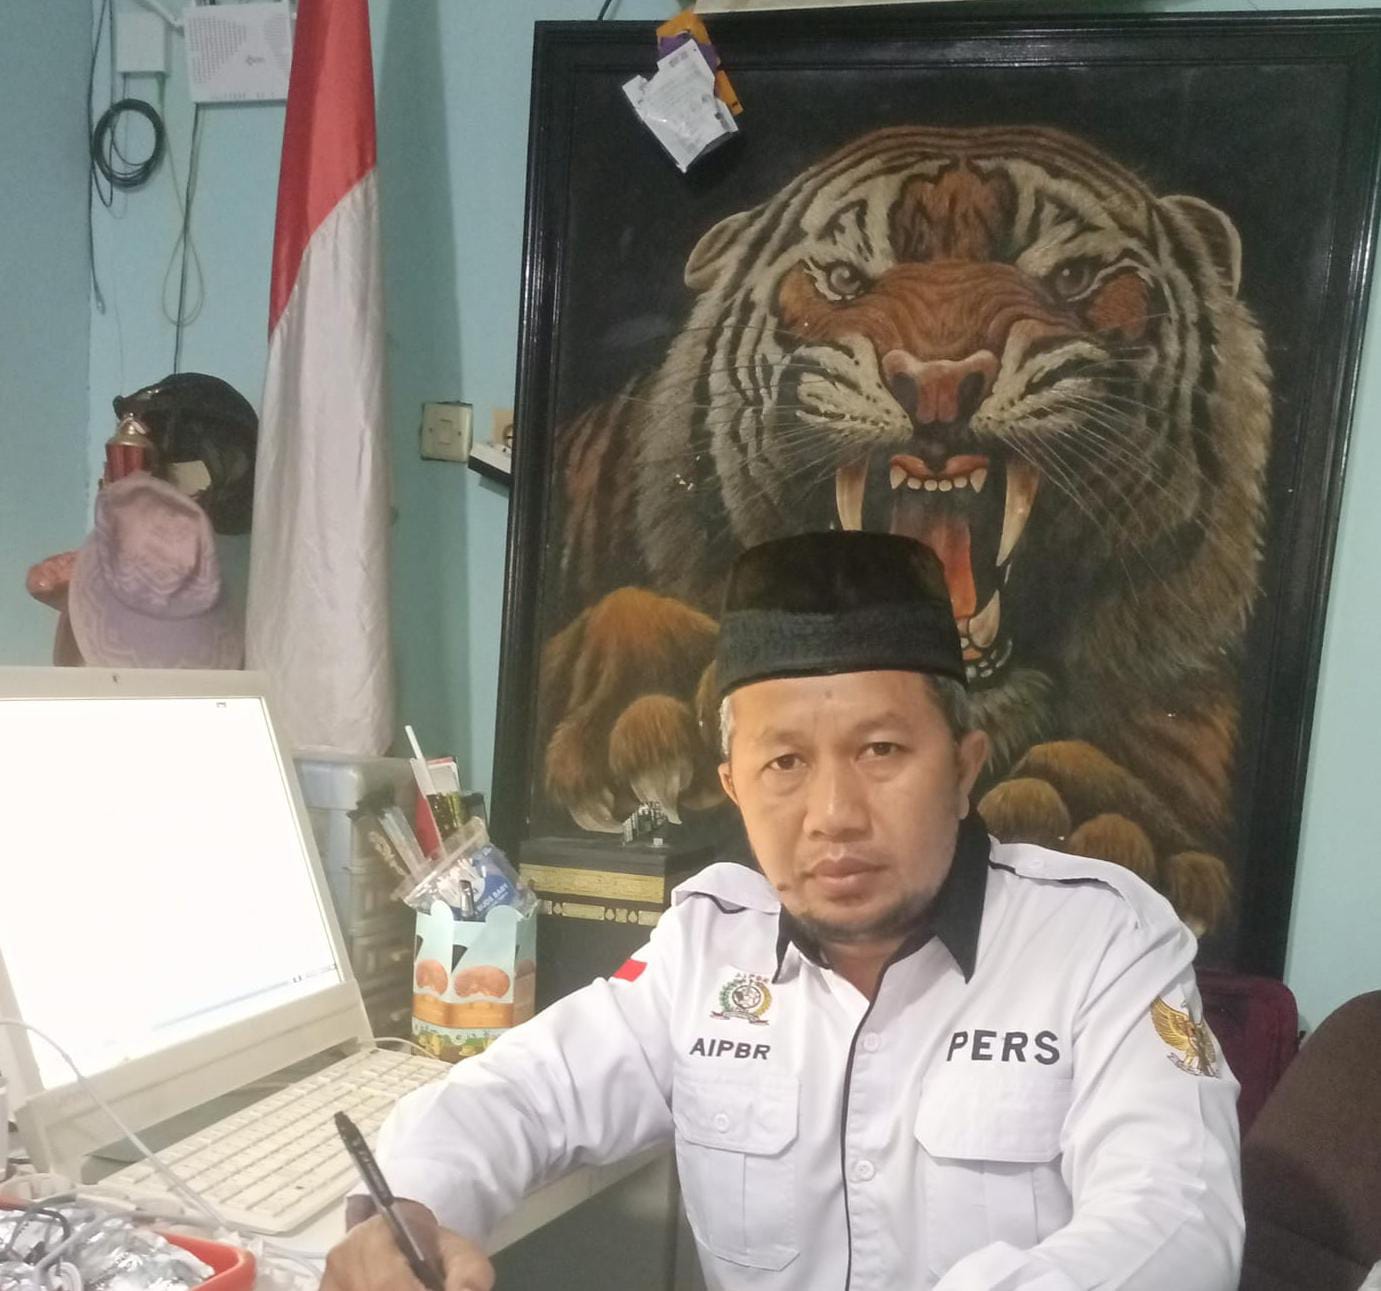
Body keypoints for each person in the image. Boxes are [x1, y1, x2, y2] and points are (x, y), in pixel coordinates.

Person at [322, 531, 1242, 1291]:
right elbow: (520, 1093)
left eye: (881, 750)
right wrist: (406, 1215)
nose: (833, 814)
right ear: (734, 787)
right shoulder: (707, 948)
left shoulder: (1100, 943)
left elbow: (1175, 1220)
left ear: (964, 767)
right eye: (785, 764)